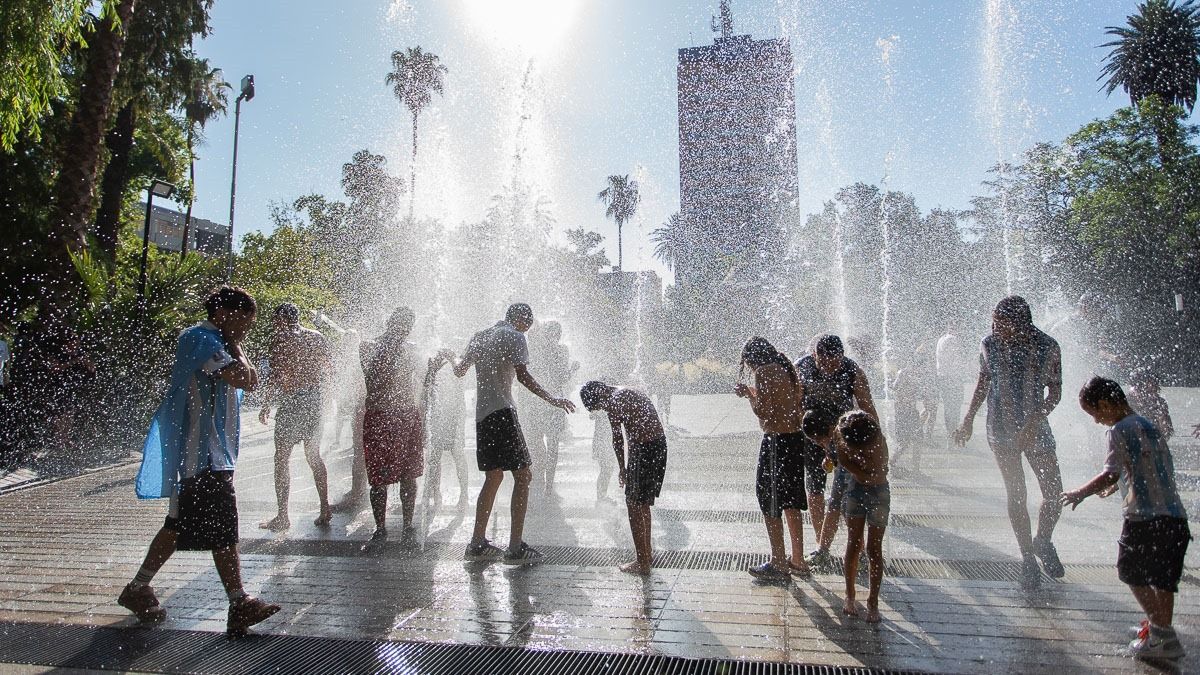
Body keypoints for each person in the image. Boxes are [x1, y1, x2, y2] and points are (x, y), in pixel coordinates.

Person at [119, 286, 279, 636]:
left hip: (213, 455)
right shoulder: (198, 339)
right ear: (222, 313)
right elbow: (240, 376)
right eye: (243, 322)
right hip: (200, 455)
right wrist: (235, 347)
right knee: (223, 527)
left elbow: (251, 381)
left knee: (178, 525)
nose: (246, 330)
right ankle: (239, 603)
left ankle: (137, 588)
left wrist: (236, 345)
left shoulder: (222, 343)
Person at [1061, 377, 1190, 660]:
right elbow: (1146, 468)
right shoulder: (1148, 425)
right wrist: (1117, 485)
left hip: (1144, 517)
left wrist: (1081, 493)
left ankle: (1162, 632)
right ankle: (1161, 636)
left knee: (1129, 571)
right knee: (1163, 578)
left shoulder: (1117, 430)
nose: (1096, 421)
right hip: (1175, 517)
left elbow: (1110, 472)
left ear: (1105, 405)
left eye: (1095, 414)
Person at [450, 303, 576, 564]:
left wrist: (446, 356)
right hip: (503, 412)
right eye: (527, 326)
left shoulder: (479, 335)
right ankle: (515, 548)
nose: (527, 331)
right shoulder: (514, 336)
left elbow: (459, 370)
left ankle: (476, 544)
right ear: (521, 319)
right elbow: (523, 376)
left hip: (482, 416)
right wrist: (552, 399)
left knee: (493, 477)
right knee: (523, 476)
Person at [955, 295, 1065, 585]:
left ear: (1020, 322)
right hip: (1000, 430)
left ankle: (1043, 540)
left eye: (1001, 321)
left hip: (1036, 428)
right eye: (993, 320)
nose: (995, 326)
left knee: (1054, 492)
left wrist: (1035, 419)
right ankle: (1027, 557)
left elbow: (1055, 392)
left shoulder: (1047, 346)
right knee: (1017, 493)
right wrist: (967, 420)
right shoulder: (988, 343)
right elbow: (983, 381)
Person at [359, 307, 449, 553]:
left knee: (409, 475)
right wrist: (398, 353)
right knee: (378, 477)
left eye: (407, 326)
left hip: (407, 416)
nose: (403, 330)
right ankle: (380, 528)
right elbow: (373, 379)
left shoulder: (412, 348)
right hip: (379, 416)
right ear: (389, 323)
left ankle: (408, 526)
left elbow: (426, 380)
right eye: (400, 325)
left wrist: (435, 366)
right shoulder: (369, 346)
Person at [796, 334, 879, 572]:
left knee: (847, 495)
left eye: (836, 362)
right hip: (813, 436)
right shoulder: (802, 367)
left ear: (842, 356)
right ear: (815, 356)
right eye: (826, 363)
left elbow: (867, 406)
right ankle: (821, 547)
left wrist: (876, 440)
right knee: (814, 489)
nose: (831, 368)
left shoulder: (852, 370)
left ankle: (860, 549)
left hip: (844, 439)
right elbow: (794, 402)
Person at [734, 337, 809, 580]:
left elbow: (764, 410)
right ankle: (798, 560)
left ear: (753, 358)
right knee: (791, 500)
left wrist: (749, 396)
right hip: (795, 439)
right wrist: (755, 392)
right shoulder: (785, 367)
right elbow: (782, 400)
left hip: (776, 440)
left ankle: (778, 563)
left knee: (769, 498)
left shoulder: (764, 371)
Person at [580, 380, 668, 575]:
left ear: (600, 394)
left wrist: (622, 468)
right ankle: (647, 554)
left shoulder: (613, 401)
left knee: (633, 504)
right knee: (643, 503)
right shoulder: (629, 390)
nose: (602, 409)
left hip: (644, 448)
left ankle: (642, 561)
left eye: (598, 406)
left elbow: (618, 439)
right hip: (658, 445)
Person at [258, 303, 333, 531]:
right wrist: (326, 400)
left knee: (281, 458)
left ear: (281, 319)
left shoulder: (280, 339)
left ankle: (283, 516)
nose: (274, 324)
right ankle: (324, 507)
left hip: (292, 402)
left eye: (275, 320)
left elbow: (275, 375)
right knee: (314, 456)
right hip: (313, 400)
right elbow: (330, 369)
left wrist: (266, 404)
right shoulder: (317, 336)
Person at [836, 411, 891, 624]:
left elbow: (879, 473)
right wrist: (860, 469)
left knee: (873, 549)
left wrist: (863, 467)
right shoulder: (842, 433)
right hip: (856, 490)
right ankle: (849, 596)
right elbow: (843, 460)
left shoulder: (878, 439)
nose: (862, 451)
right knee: (854, 543)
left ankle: (873, 602)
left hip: (879, 493)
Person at [522, 321, 577, 494]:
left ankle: (543, 479)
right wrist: (573, 369)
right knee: (549, 443)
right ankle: (546, 482)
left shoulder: (538, 351)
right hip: (551, 403)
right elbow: (561, 378)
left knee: (543, 442)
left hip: (540, 402)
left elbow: (529, 376)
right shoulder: (561, 351)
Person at [330, 329, 368, 511]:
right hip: (365, 406)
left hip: (364, 407)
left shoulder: (356, 357)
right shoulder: (363, 353)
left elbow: (359, 385)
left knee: (360, 452)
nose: (344, 344)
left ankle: (356, 493)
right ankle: (360, 489)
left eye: (348, 340)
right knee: (363, 451)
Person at [426, 364, 469, 512]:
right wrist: (434, 366)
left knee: (458, 455)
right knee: (435, 455)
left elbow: (462, 378)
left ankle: (464, 495)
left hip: (455, 414)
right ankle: (436, 493)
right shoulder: (436, 363)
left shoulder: (456, 362)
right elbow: (427, 385)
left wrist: (451, 359)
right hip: (439, 414)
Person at [935, 324, 970, 445]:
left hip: (944, 378)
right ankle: (953, 437)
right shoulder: (952, 339)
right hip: (952, 379)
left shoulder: (942, 339)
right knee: (954, 408)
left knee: (949, 408)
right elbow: (951, 359)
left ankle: (951, 436)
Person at [1127, 367, 1174, 440]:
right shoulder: (1127, 401)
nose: (1157, 388)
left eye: (1156, 384)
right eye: (1154, 384)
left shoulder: (1159, 403)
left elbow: (1167, 431)